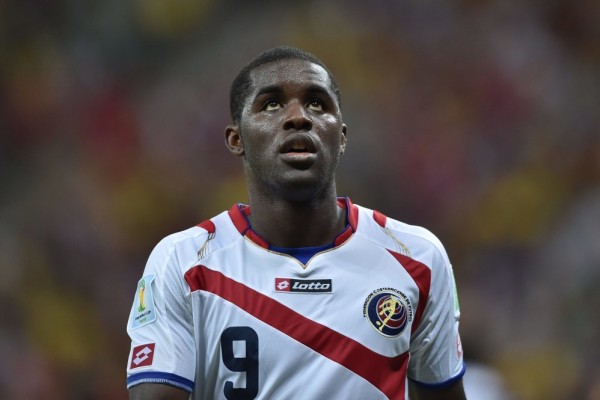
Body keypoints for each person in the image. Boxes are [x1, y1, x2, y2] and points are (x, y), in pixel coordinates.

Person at [126, 46, 467, 400]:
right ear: (236, 139)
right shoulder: (183, 263)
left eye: (317, 103)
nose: (298, 117)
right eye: (271, 104)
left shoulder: (418, 258)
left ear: (342, 137)